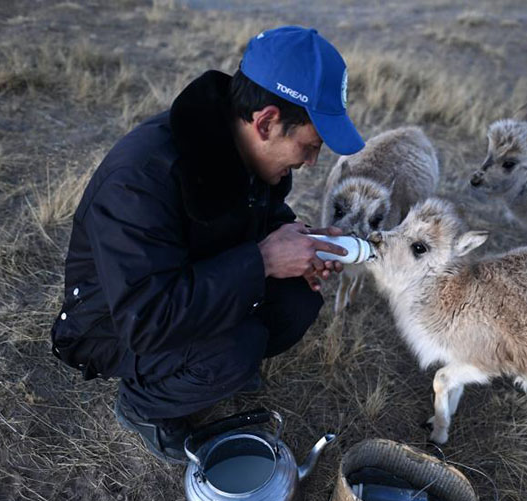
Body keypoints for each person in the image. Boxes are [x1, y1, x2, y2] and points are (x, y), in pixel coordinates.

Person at [50, 26, 365, 463]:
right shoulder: (140, 179)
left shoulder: (248, 151)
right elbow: (146, 319)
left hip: (191, 280)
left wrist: (301, 243)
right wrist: (263, 260)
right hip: (110, 322)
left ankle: (205, 369)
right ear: (266, 121)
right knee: (234, 352)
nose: (311, 163)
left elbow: (263, 218)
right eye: (309, 146)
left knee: (296, 302)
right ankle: (142, 405)